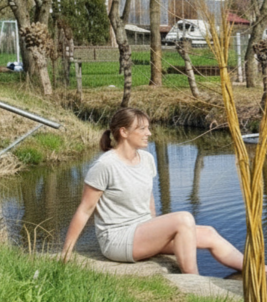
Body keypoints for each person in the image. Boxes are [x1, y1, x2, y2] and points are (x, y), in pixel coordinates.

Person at [60, 107, 250, 275]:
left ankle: (260, 270)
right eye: (142, 129)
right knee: (183, 219)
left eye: (148, 128)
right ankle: (193, 281)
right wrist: (67, 251)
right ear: (123, 131)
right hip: (118, 239)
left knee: (208, 233)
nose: (148, 133)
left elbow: (149, 198)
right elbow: (85, 210)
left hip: (142, 230)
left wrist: (155, 228)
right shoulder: (105, 165)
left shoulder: (147, 159)